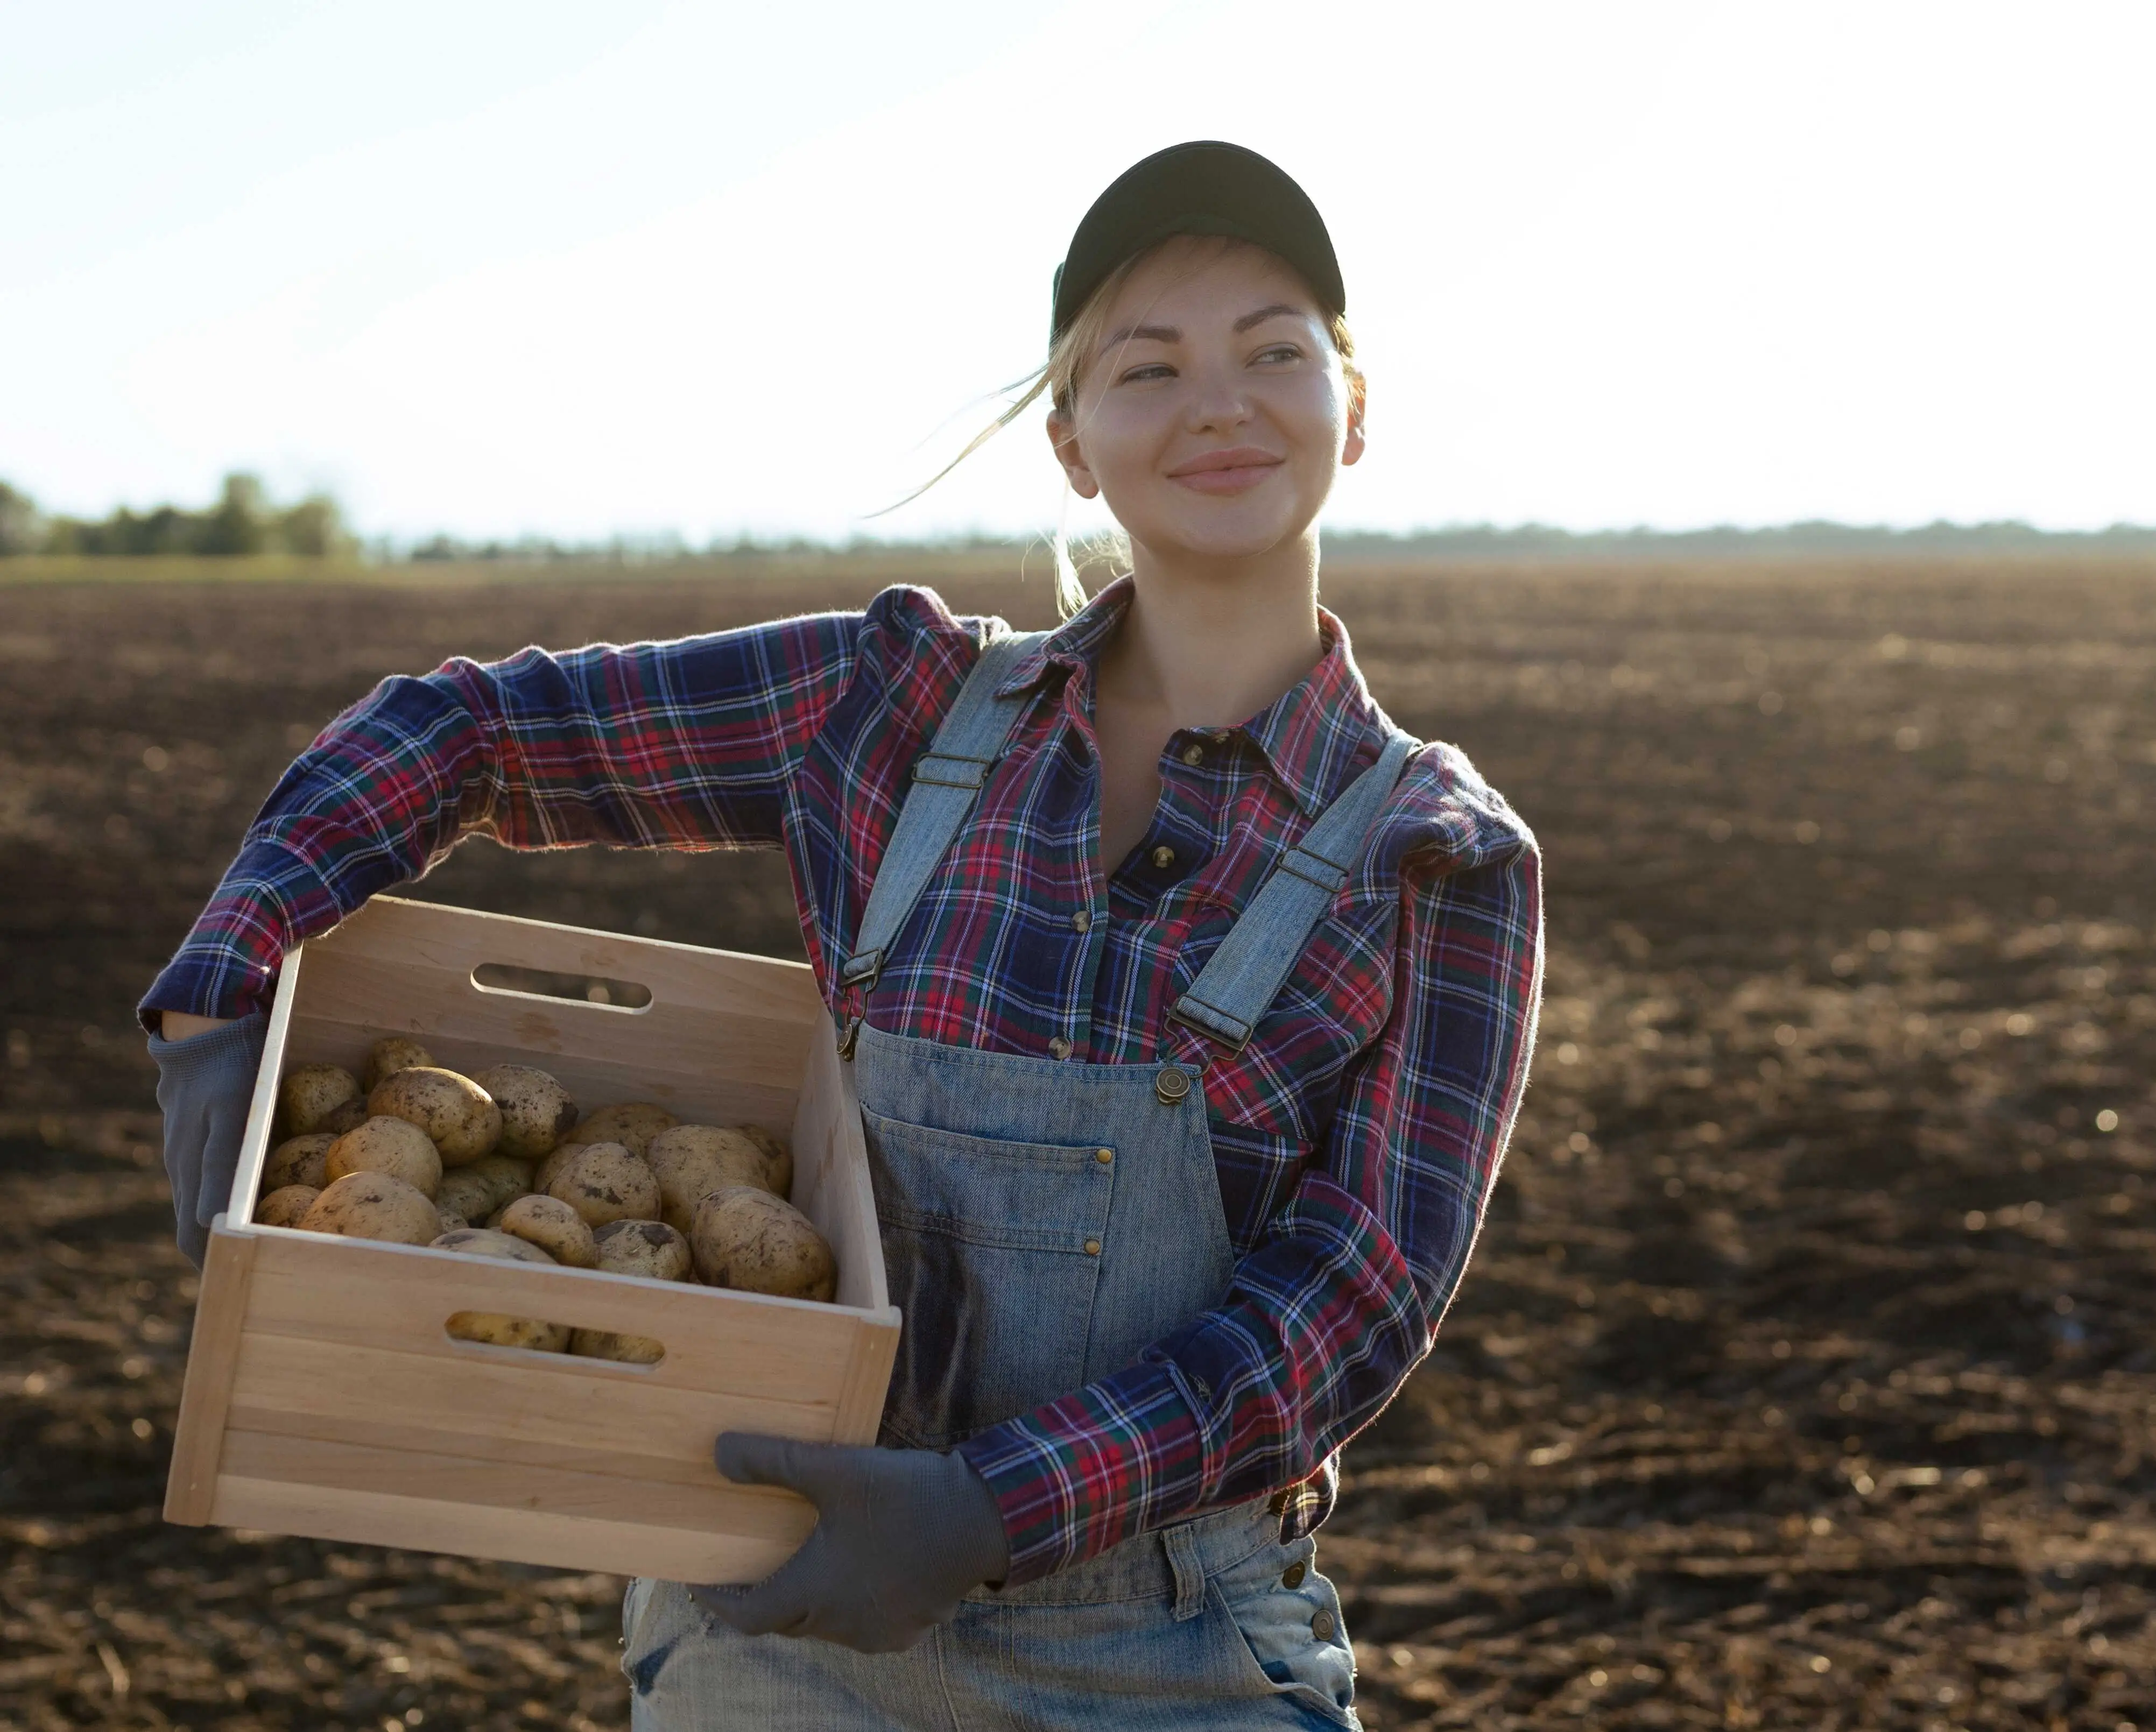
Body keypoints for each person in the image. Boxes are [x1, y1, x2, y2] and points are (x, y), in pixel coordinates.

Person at [143, 140, 1542, 1729]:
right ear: (1074, 444)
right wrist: (223, 993)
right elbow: (463, 731)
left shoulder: (1438, 858)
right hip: (776, 1620)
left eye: (1273, 351)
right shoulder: (893, 707)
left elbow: (1352, 1300)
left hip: (1165, 1656)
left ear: (1353, 409)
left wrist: (990, 1510)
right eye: (1146, 367)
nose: (1219, 403)